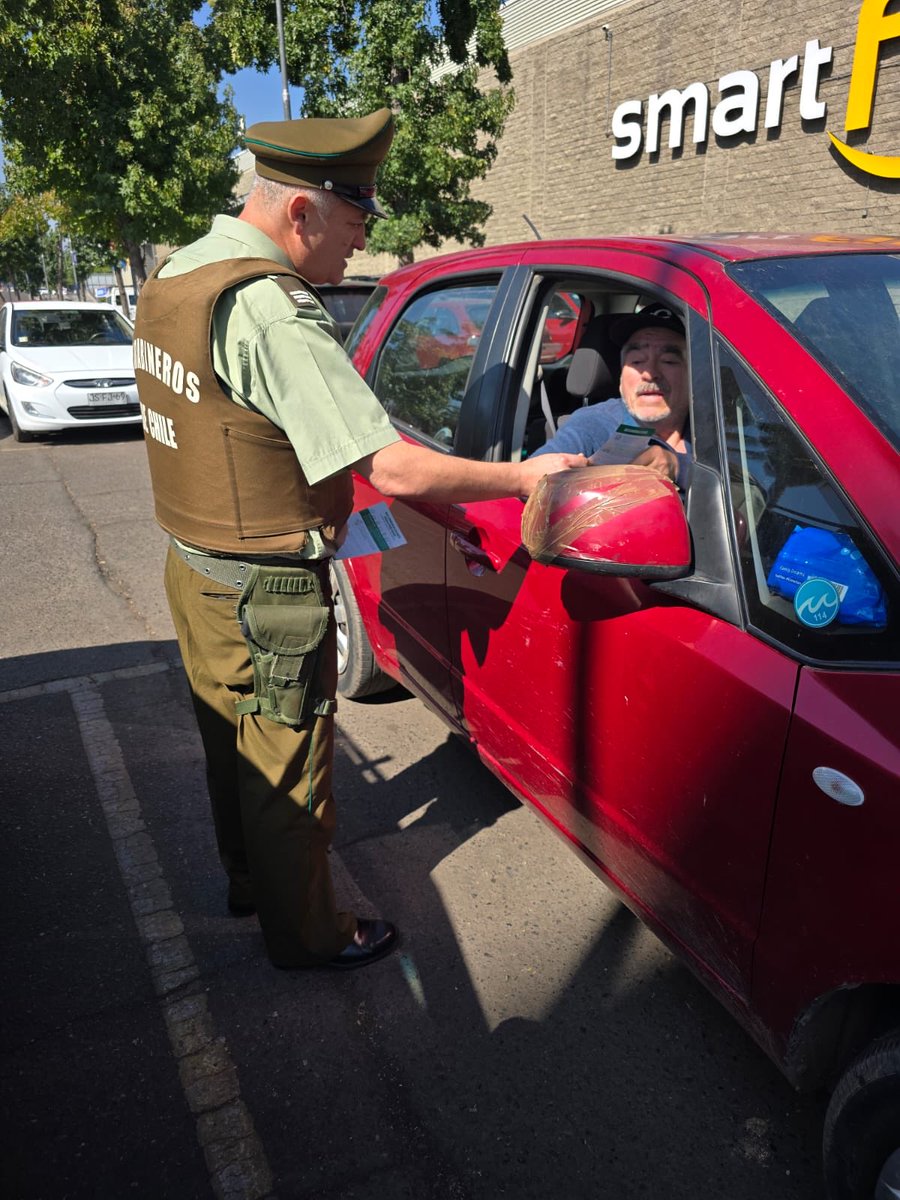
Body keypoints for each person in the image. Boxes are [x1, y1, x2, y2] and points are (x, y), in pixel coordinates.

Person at [133, 108, 584, 972]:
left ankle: (247, 880)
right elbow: (399, 472)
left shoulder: (178, 276)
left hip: (196, 566)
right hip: (265, 587)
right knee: (288, 763)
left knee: (231, 744)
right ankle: (308, 933)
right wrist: (530, 478)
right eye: (353, 223)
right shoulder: (269, 311)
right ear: (300, 213)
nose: (357, 247)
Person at [534, 304, 691, 489]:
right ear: (621, 376)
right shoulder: (594, 424)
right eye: (637, 361)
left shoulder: (719, 423)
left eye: (668, 361)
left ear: (693, 373)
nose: (650, 374)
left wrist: (679, 467)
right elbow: (532, 483)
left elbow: (734, 483)